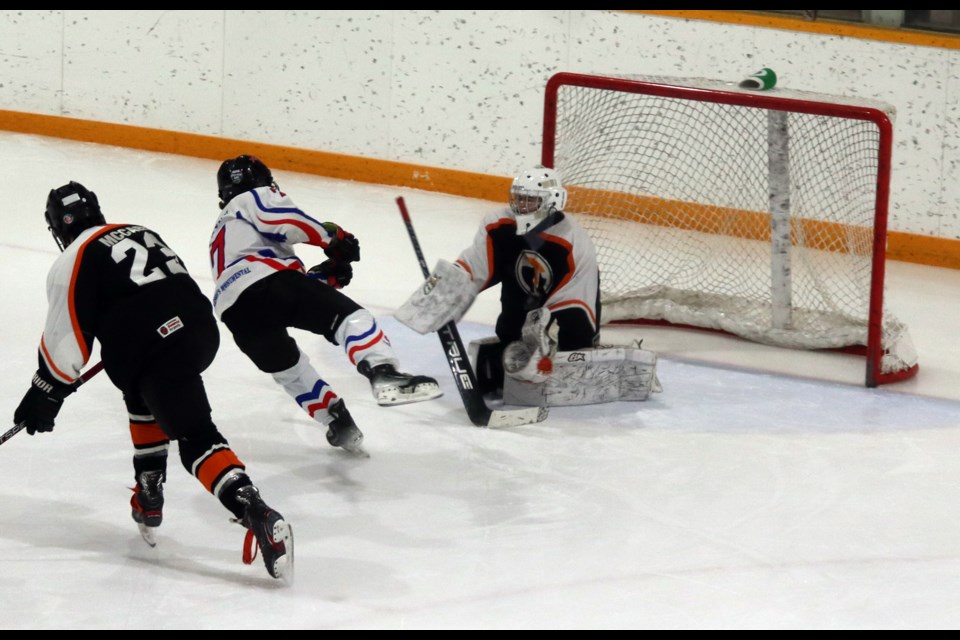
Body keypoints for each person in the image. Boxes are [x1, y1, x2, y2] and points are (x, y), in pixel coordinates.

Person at [12, 182, 293, 582]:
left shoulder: (71, 260)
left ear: (58, 228)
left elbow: (66, 340)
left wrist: (44, 393)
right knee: (139, 383)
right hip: (198, 327)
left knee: (195, 435)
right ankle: (149, 493)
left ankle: (254, 508)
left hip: (154, 343)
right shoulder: (137, 230)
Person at [209, 155, 442, 454]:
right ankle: (383, 371)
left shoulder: (223, 229)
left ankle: (338, 423)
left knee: (290, 372)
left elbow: (270, 289)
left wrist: (323, 277)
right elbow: (284, 223)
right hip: (268, 286)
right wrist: (332, 238)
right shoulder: (253, 197)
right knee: (352, 319)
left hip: (235, 312)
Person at [396, 166, 661, 406]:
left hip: (563, 306)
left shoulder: (573, 243)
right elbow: (475, 264)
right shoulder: (498, 225)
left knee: (571, 344)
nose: (522, 206)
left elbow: (577, 304)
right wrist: (446, 288)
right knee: (511, 340)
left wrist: (546, 337)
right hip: (521, 296)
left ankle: (592, 357)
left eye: (530, 200)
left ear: (553, 201)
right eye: (519, 198)